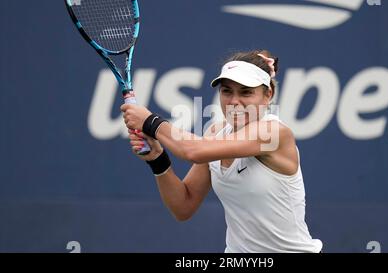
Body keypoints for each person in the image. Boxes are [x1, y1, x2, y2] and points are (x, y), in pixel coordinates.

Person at [121, 50, 322, 253]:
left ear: (267, 95)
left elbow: (192, 151)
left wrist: (149, 121)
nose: (234, 101)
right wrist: (157, 159)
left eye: (245, 92)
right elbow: (183, 206)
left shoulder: (274, 132)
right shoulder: (216, 133)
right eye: (227, 91)